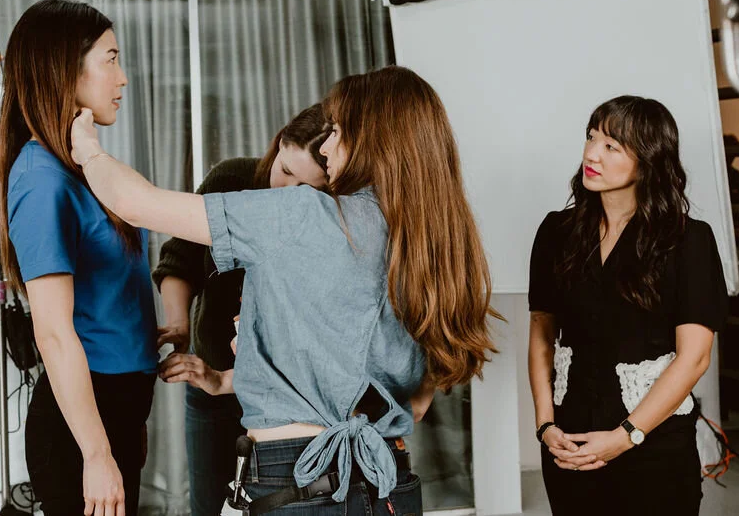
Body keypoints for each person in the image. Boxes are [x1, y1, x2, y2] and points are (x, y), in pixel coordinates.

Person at [68, 65, 499, 515]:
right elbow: (411, 397)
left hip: (297, 481)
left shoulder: (304, 214)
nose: (327, 146)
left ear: (376, 142)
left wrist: (87, 146)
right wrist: (234, 374)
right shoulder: (440, 245)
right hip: (388, 477)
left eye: (337, 132)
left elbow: (134, 203)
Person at [0, 0, 157, 516]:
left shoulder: (80, 165)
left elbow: (108, 289)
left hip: (118, 408)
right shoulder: (42, 179)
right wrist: (97, 452)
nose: (123, 77)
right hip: (82, 428)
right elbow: (53, 332)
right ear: (67, 71)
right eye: (110, 59)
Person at [527, 95, 728, 515]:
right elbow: (542, 338)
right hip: (570, 445)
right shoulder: (556, 232)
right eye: (590, 137)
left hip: (654, 448)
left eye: (610, 146)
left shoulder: (689, 240)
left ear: (649, 160)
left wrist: (625, 436)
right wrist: (546, 426)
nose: (590, 153)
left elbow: (695, 358)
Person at [151, 104, 329, 516]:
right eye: (284, 171)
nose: (287, 193)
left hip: (287, 403)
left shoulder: (327, 218)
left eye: (305, 188)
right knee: (210, 506)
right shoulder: (231, 180)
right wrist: (179, 324)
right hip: (212, 389)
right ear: (277, 144)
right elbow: (179, 259)